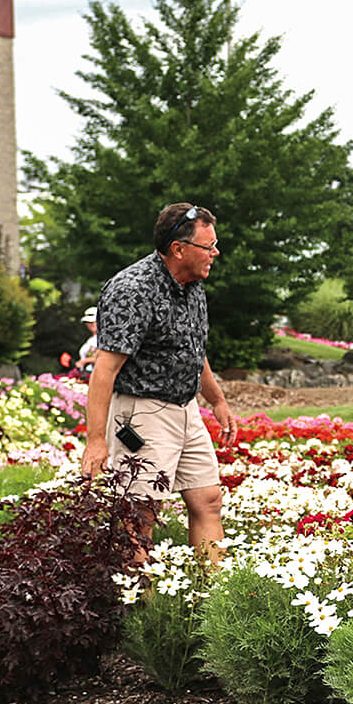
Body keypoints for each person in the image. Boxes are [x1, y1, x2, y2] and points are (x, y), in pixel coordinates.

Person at [79, 203, 238, 554]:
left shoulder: (194, 283)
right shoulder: (133, 289)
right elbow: (104, 370)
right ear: (178, 249)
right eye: (208, 246)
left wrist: (217, 401)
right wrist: (95, 440)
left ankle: (212, 598)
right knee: (140, 515)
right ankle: (141, 604)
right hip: (141, 413)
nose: (216, 252)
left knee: (208, 500)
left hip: (186, 409)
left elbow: (194, 348)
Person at [74, 306, 100, 375]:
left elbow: (104, 358)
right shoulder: (90, 340)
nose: (91, 324)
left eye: (93, 321)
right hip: (86, 374)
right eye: (88, 322)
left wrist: (84, 361)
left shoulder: (104, 339)